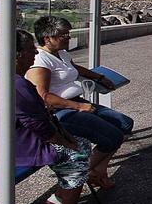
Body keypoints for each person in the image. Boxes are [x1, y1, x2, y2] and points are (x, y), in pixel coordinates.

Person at [0, 30, 101, 204]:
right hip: (9, 151)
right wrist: (67, 143)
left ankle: (64, 196)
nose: (34, 53)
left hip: (0, 145)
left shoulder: (0, 77)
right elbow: (40, 127)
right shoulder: (16, 84)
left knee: (75, 145)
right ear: (18, 55)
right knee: (79, 150)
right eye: (31, 49)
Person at [25, 16, 134, 190]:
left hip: (76, 103)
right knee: (113, 137)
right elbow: (43, 97)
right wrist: (78, 106)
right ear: (47, 38)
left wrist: (99, 77)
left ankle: (97, 171)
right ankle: (77, 177)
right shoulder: (40, 61)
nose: (69, 37)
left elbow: (74, 69)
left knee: (124, 123)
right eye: (64, 35)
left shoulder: (62, 54)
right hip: (62, 110)